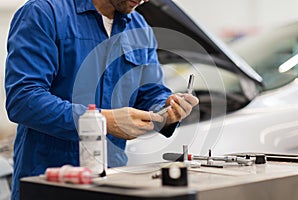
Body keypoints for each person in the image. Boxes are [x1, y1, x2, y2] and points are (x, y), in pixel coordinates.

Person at [5, 0, 199, 199]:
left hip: (111, 183)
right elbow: (24, 99)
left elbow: (149, 92)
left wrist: (167, 108)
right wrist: (102, 121)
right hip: (49, 182)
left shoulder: (140, 28)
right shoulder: (45, 13)